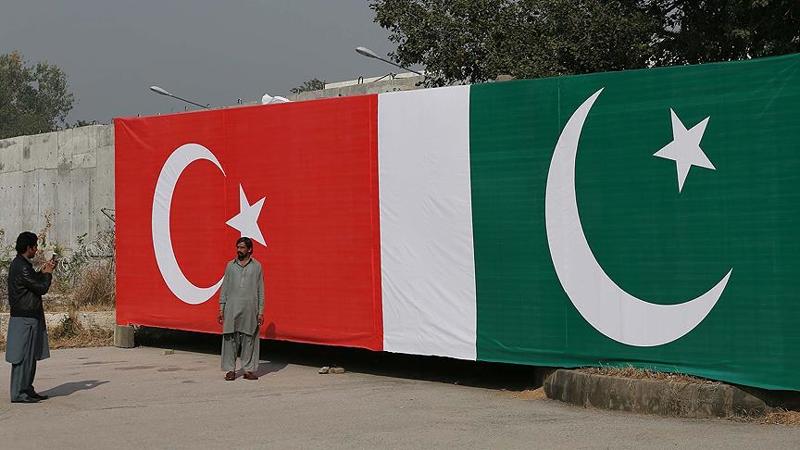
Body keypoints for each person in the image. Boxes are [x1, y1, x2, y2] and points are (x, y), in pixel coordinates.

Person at [5, 231, 55, 403]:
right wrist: (47, 274)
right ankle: (19, 393)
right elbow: (40, 288)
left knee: (30, 356)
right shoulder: (22, 266)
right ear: (29, 247)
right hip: (24, 318)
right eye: (35, 246)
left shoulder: (21, 264)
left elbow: (33, 282)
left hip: (28, 316)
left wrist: (42, 272)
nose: (36, 250)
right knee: (23, 357)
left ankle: (26, 389)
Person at [217, 236, 264, 381]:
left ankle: (248, 370)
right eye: (238, 247)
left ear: (249, 249)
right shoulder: (230, 266)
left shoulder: (257, 266)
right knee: (230, 339)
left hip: (250, 309)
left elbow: (260, 290)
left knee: (249, 339)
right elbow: (225, 288)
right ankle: (230, 370)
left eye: (242, 247)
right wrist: (221, 308)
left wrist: (261, 311)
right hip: (231, 308)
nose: (239, 250)